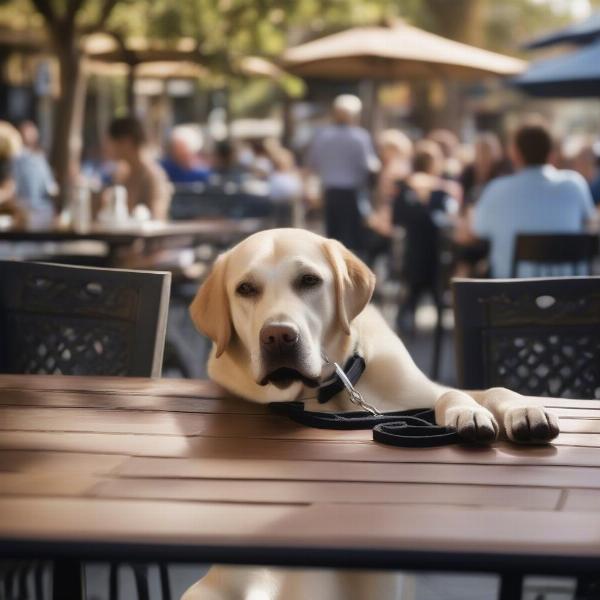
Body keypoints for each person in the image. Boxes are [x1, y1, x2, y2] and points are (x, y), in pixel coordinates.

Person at [471, 120, 596, 278]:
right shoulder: (575, 184)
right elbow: (589, 223)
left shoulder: (496, 189)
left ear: (515, 153)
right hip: (569, 295)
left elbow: (476, 231)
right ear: (551, 152)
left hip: (512, 296)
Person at [392, 140, 459, 327]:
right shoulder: (442, 188)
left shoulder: (407, 187)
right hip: (434, 250)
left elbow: (397, 219)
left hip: (413, 251)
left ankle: (407, 312)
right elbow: (448, 217)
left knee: (414, 286)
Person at [304, 94, 380, 254]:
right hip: (352, 194)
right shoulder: (360, 137)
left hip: (331, 193)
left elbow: (312, 165)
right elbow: (370, 165)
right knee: (353, 240)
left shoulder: (322, 136)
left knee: (334, 238)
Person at [106, 116, 172, 220]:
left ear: (126, 142)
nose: (108, 147)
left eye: (112, 142)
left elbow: (157, 218)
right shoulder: (122, 174)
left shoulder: (153, 176)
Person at [12, 120, 57, 225]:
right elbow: (12, 185)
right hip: (24, 211)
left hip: (43, 210)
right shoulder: (16, 157)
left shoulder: (40, 158)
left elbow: (50, 187)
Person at [460, 132, 507, 207]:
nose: (483, 155)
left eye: (487, 150)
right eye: (480, 150)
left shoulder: (503, 173)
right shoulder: (468, 173)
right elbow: (462, 198)